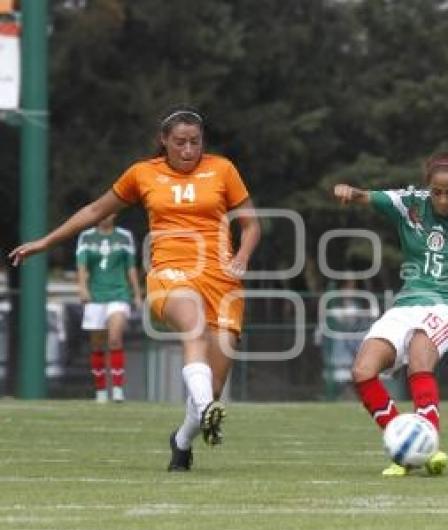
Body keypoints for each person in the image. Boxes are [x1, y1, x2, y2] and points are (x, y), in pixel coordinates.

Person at [10, 106, 261, 472]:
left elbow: (252, 225)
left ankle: (183, 438)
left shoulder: (223, 169)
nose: (188, 150)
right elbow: (95, 210)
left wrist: (242, 256)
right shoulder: (143, 173)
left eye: (195, 142)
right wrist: (45, 243)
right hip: (170, 273)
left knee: (215, 381)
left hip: (222, 280)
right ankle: (207, 409)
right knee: (192, 325)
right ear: (164, 141)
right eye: (180, 143)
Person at [333, 151, 448, 476]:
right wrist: (350, 193)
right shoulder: (408, 204)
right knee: (362, 371)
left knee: (420, 352)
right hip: (407, 303)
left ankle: (428, 445)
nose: (443, 199)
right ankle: (408, 444)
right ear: (428, 187)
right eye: (436, 192)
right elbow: (367, 196)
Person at [76, 213, 143, 403]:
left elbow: (130, 267)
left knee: (115, 339)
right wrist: (82, 289)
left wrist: (137, 294)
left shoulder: (124, 236)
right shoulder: (86, 236)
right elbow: (82, 265)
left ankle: (118, 389)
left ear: (114, 215)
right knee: (97, 344)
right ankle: (101, 391)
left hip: (119, 294)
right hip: (96, 296)